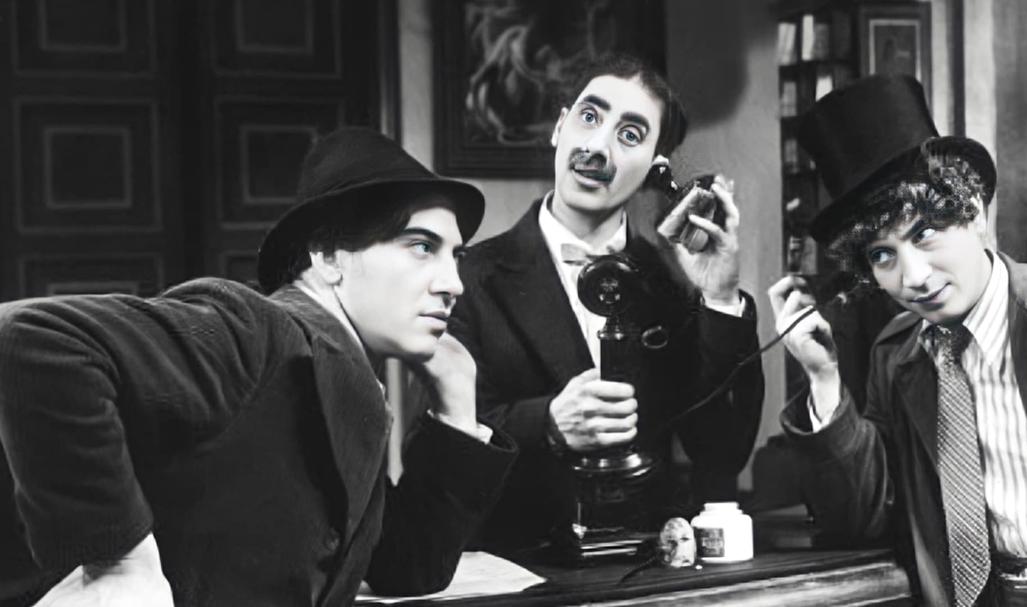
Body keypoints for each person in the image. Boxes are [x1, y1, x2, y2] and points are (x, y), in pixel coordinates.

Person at [0, 127, 516, 607]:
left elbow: (406, 568)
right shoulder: (254, 332)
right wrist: (118, 561)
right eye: (422, 247)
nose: (454, 284)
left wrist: (457, 406)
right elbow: (31, 337)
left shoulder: (351, 381)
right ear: (328, 255)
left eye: (457, 256)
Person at [770, 74, 1027, 605]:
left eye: (925, 233)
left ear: (975, 213)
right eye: (883, 255)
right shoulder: (897, 355)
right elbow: (862, 518)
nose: (913, 277)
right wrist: (822, 379)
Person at [451, 53, 764, 551]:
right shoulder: (468, 277)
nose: (596, 147)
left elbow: (721, 454)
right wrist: (546, 424)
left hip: (647, 567)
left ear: (656, 169)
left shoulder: (674, 286)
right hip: (518, 567)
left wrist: (720, 297)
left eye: (630, 134)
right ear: (560, 128)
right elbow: (439, 448)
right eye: (589, 117)